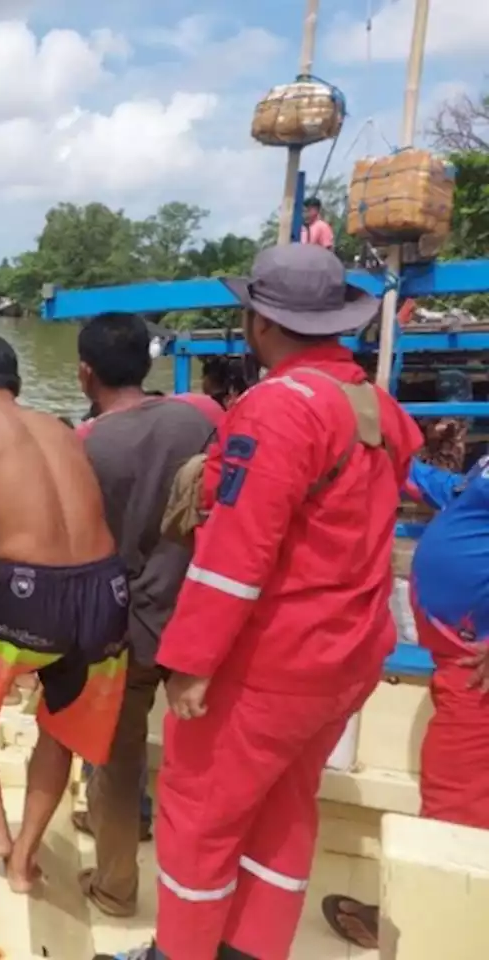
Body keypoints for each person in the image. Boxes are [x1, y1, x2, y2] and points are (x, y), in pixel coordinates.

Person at [108, 244, 423, 960]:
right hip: (347, 653)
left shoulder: (275, 410)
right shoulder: (377, 406)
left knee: (199, 818)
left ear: (261, 321)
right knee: (285, 811)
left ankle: (179, 952)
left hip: (271, 661)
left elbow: (235, 556)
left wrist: (190, 661)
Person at [0, 332, 129, 895]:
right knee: (60, 725)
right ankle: (24, 860)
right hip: (107, 591)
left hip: (28, 591)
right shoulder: (62, 429)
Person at [70, 313, 220, 919]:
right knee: (202, 757)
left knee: (115, 757)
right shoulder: (203, 418)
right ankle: (198, 885)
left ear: (84, 373)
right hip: (202, 618)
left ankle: (114, 887)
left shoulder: (86, 446)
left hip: (125, 627)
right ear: (150, 362)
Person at [321, 452, 489, 948]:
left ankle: (426, 926)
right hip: (458, 657)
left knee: (455, 794)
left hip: (475, 671)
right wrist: (396, 462)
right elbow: (462, 495)